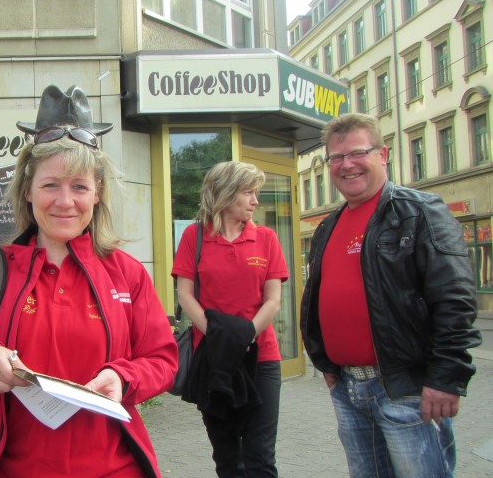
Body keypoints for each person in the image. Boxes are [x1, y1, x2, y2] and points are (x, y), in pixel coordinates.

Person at [0, 84, 178, 477]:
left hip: (115, 469)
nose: (65, 201)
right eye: (50, 185)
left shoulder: (127, 274)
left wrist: (123, 377)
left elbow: (162, 360)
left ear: (97, 194)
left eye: (79, 186)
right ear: (27, 191)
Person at [300, 113, 482, 477]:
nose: (347, 164)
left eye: (358, 153)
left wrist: (445, 378)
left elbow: (455, 300)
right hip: (348, 388)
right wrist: (326, 362)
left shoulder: (419, 211)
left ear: (382, 155)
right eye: (337, 157)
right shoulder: (328, 227)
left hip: (406, 389)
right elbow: (317, 297)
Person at [171, 161, 288, 477]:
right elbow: (186, 296)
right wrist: (222, 339)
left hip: (261, 358)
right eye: (248, 192)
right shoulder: (194, 236)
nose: (255, 201)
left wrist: (244, 335)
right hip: (214, 360)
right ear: (224, 193)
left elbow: (273, 300)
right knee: (227, 460)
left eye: (256, 193)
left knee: (260, 459)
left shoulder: (266, 238)